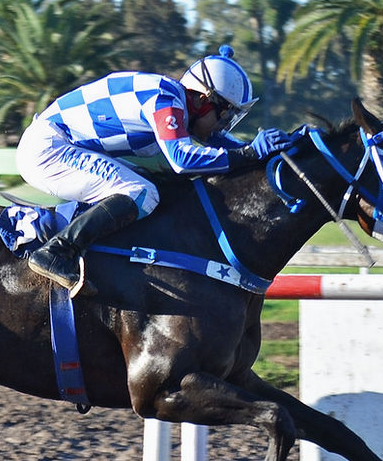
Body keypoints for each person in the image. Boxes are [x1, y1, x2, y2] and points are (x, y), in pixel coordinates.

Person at [15, 45, 293, 297]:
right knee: (141, 192)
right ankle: (56, 252)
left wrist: (270, 150)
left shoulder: (177, 99)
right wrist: (249, 153)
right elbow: (182, 159)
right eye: (225, 115)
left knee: (150, 187)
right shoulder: (166, 100)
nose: (223, 125)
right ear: (202, 100)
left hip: (58, 143)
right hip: (48, 148)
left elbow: (216, 144)